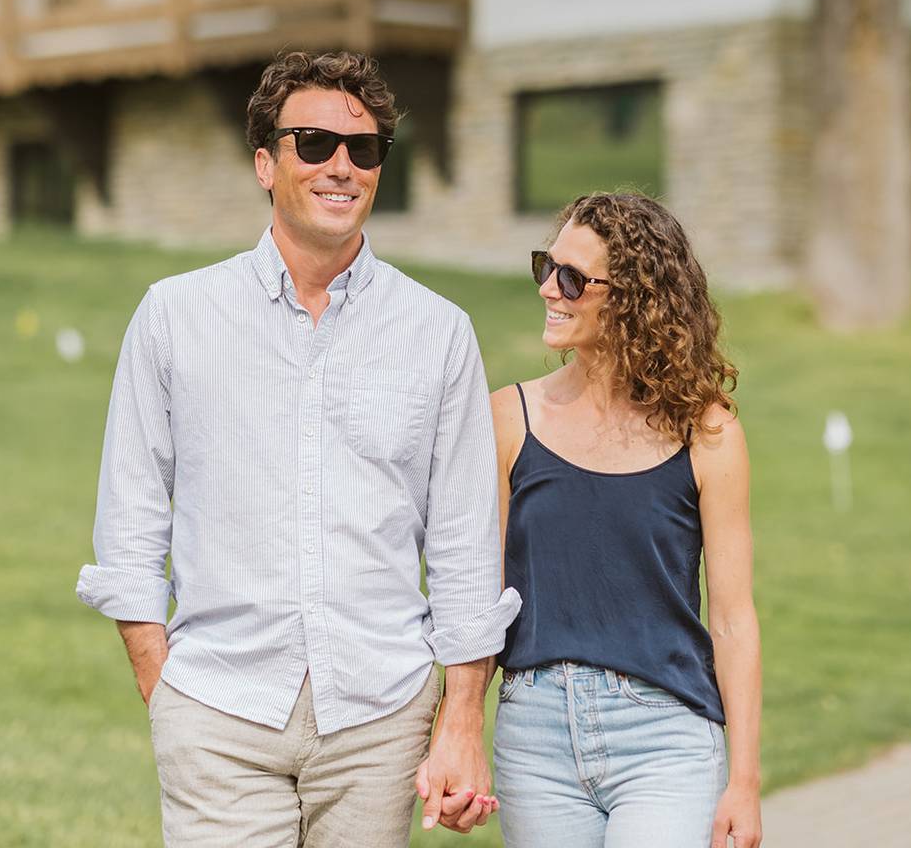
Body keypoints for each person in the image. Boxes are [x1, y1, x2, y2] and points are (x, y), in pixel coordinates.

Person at [75, 50, 517, 847]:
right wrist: (159, 677)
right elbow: (131, 510)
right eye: (313, 144)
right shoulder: (175, 317)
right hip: (218, 709)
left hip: (381, 718)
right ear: (264, 163)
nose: (341, 165)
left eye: (364, 148)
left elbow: (463, 543)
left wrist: (459, 719)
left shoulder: (439, 333)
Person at [490, 192, 763, 848]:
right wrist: (456, 730)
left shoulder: (708, 432)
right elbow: (477, 596)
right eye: (545, 267)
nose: (550, 290)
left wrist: (745, 781)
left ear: (636, 297)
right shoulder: (508, 418)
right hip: (535, 739)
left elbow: (732, 617)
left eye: (574, 278)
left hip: (665, 737)